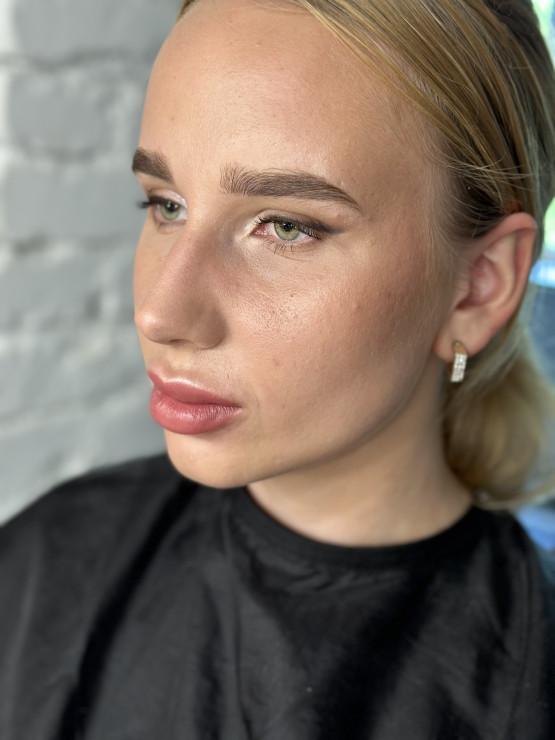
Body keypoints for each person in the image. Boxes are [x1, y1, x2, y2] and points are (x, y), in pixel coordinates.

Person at [1, 0, 554, 737]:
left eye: (286, 226)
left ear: (477, 285)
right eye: (167, 205)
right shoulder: (45, 557)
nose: (161, 314)